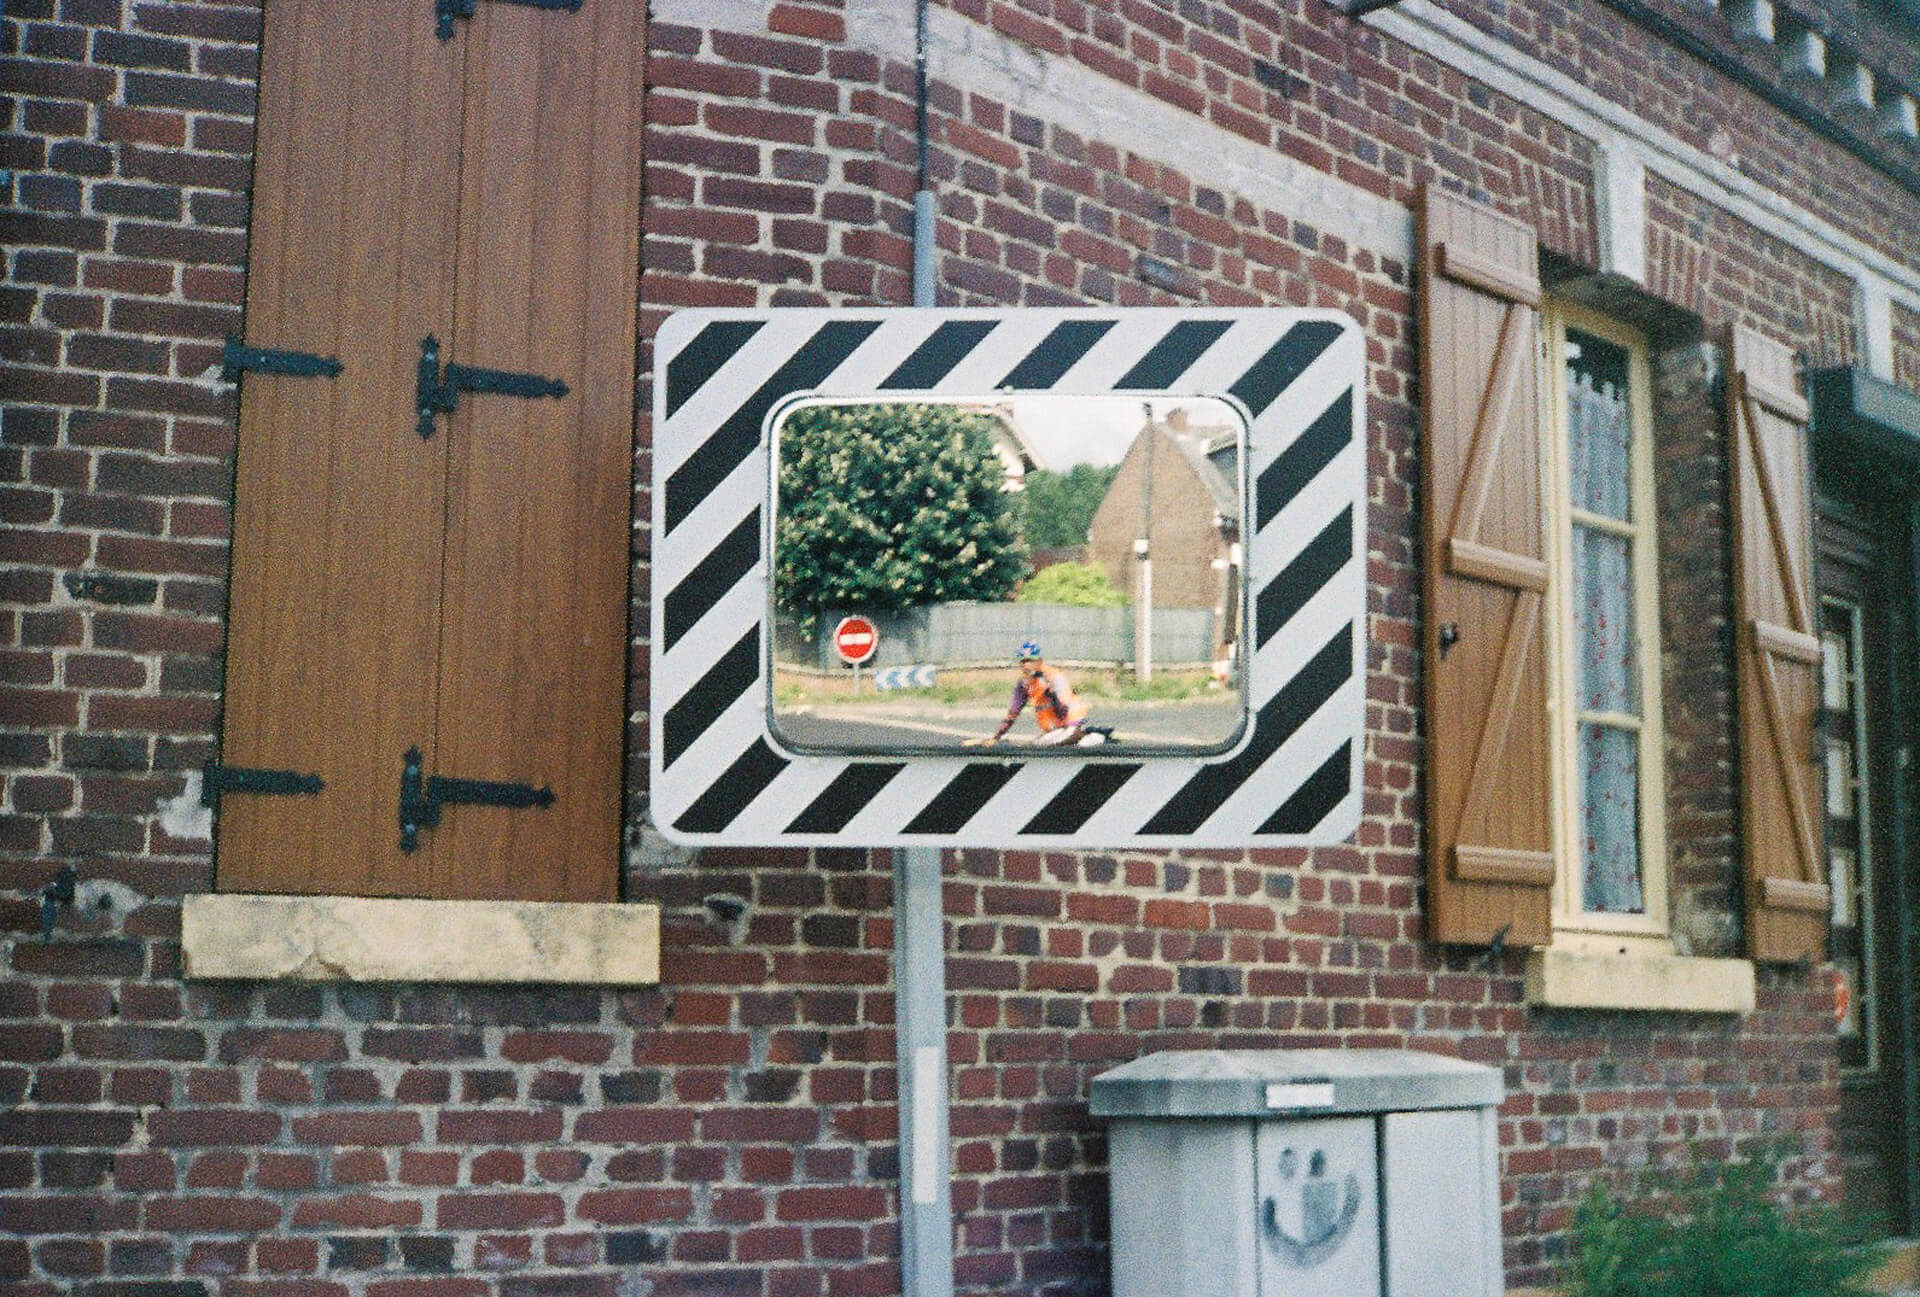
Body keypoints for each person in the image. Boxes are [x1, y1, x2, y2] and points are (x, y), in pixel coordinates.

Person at [966, 641, 1112, 747]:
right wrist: (997, 737)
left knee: (1047, 745)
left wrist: (1051, 691)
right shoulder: (1024, 684)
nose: (1026, 665)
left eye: (1030, 661)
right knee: (1038, 745)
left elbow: (1063, 710)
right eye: (1022, 661)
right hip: (1054, 729)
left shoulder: (1055, 677)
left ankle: (1095, 736)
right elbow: (1013, 713)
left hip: (1071, 724)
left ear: (1039, 661)